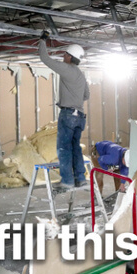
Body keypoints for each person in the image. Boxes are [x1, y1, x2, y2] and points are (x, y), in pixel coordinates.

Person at [38, 31, 90, 191]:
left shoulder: (66, 68)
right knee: (75, 147)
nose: (63, 56)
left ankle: (67, 181)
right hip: (80, 116)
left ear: (69, 57)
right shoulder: (80, 75)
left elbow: (44, 58)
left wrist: (42, 40)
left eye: (65, 54)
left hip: (68, 115)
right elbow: (86, 95)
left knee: (63, 148)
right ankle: (80, 179)